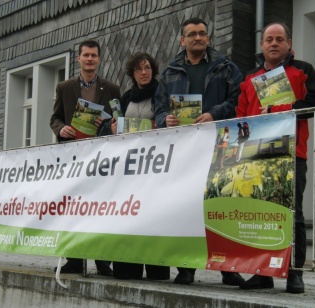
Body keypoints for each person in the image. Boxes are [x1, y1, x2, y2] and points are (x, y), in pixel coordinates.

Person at [154, 17, 244, 286]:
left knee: (221, 205)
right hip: (183, 149)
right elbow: (158, 107)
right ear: (183, 40)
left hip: (219, 144)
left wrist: (214, 114)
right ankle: (186, 267)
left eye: (202, 33)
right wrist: (164, 119)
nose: (198, 38)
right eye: (192, 34)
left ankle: (228, 268)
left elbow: (238, 100)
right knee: (186, 207)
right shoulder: (169, 72)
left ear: (208, 38)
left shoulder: (226, 68)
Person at [236, 22, 315, 293]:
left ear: (288, 43)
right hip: (256, 155)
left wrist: (278, 108)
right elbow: (240, 116)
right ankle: (263, 272)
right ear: (261, 46)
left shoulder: (303, 69)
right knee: (259, 214)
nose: (273, 43)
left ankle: (294, 272)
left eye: (279, 39)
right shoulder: (249, 77)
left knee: (292, 214)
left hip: (292, 153)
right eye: (268, 39)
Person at [50, 39, 121, 276]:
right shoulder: (64, 87)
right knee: (74, 209)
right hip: (74, 158)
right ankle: (74, 259)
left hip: (102, 159)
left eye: (94, 55)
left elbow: (118, 120)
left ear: (99, 59)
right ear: (78, 59)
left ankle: (102, 260)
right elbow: (55, 118)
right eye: (86, 55)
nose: (90, 59)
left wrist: (113, 126)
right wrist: (61, 129)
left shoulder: (112, 88)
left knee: (101, 209)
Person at [99, 52, 170, 280]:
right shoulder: (126, 98)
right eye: (139, 69)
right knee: (129, 218)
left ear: (153, 70)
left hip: (157, 169)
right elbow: (109, 127)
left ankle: (157, 268)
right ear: (132, 73)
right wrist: (109, 130)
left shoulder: (162, 94)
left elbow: (170, 123)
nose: (144, 72)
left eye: (147, 68)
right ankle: (127, 266)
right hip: (128, 172)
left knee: (154, 218)